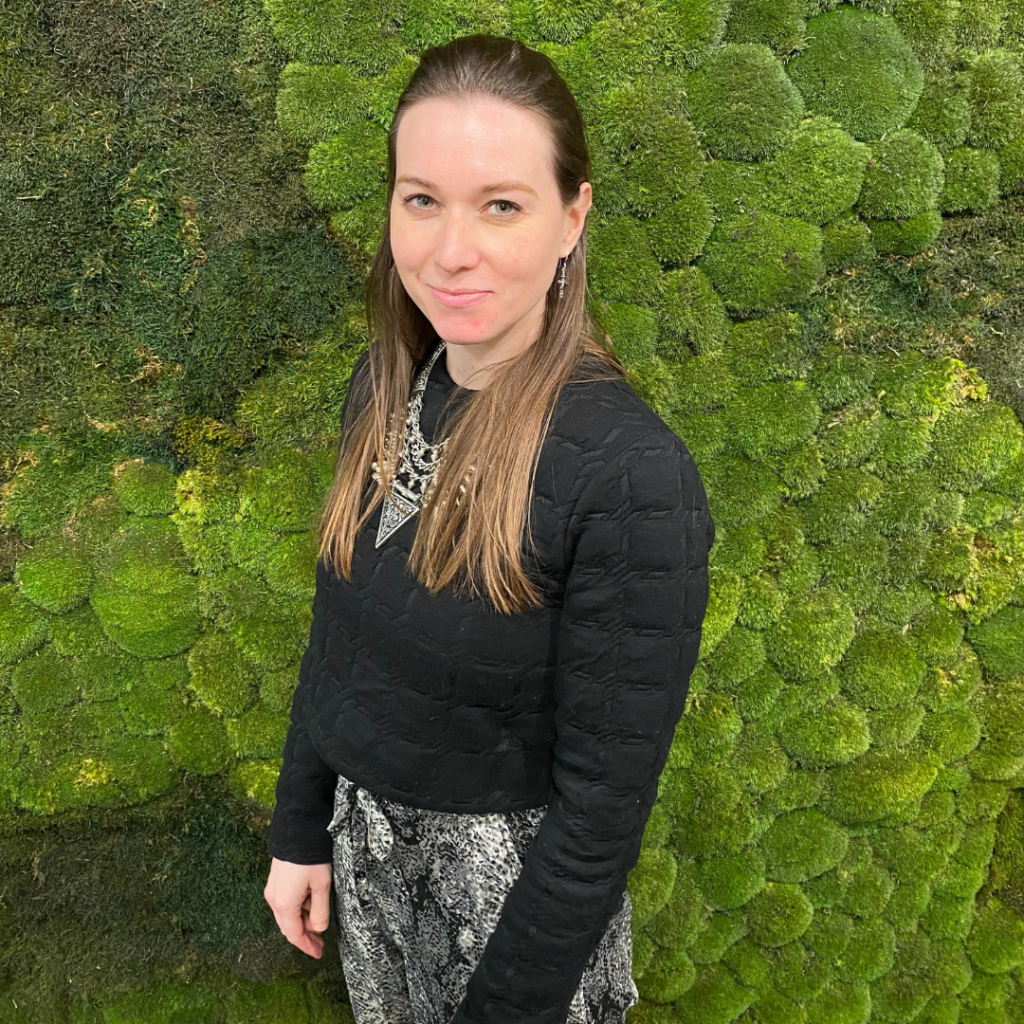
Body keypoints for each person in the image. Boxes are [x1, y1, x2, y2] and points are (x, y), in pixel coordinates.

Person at [263, 33, 715, 1024]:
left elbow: (599, 815)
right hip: (370, 873)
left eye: (500, 205)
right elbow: (339, 636)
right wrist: (300, 827)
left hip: (518, 927)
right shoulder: (385, 386)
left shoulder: (628, 474)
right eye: (422, 199)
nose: (449, 249)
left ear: (571, 218)